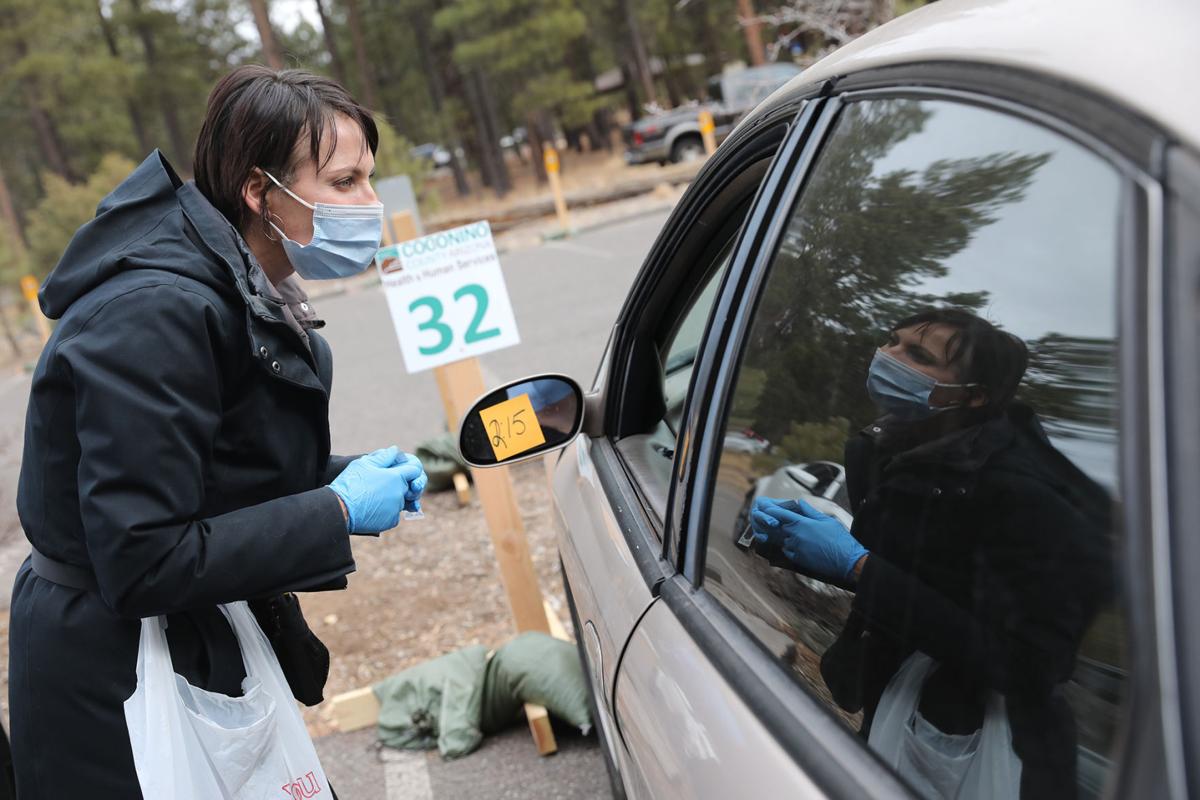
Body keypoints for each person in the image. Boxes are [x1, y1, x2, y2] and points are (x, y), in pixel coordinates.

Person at [9, 66, 427, 798]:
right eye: (344, 182)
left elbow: (201, 471)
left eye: (369, 179)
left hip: (181, 632)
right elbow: (141, 557)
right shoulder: (153, 315)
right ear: (261, 192)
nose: (369, 204)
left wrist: (335, 477)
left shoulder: (231, 279)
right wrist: (332, 511)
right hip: (112, 672)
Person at [749, 308, 1112, 800]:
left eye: (917, 354)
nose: (886, 356)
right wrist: (801, 547)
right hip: (892, 710)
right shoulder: (889, 451)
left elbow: (1032, 663)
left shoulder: (1028, 496)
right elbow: (911, 571)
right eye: (891, 341)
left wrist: (859, 567)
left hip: (972, 749)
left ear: (973, 395)